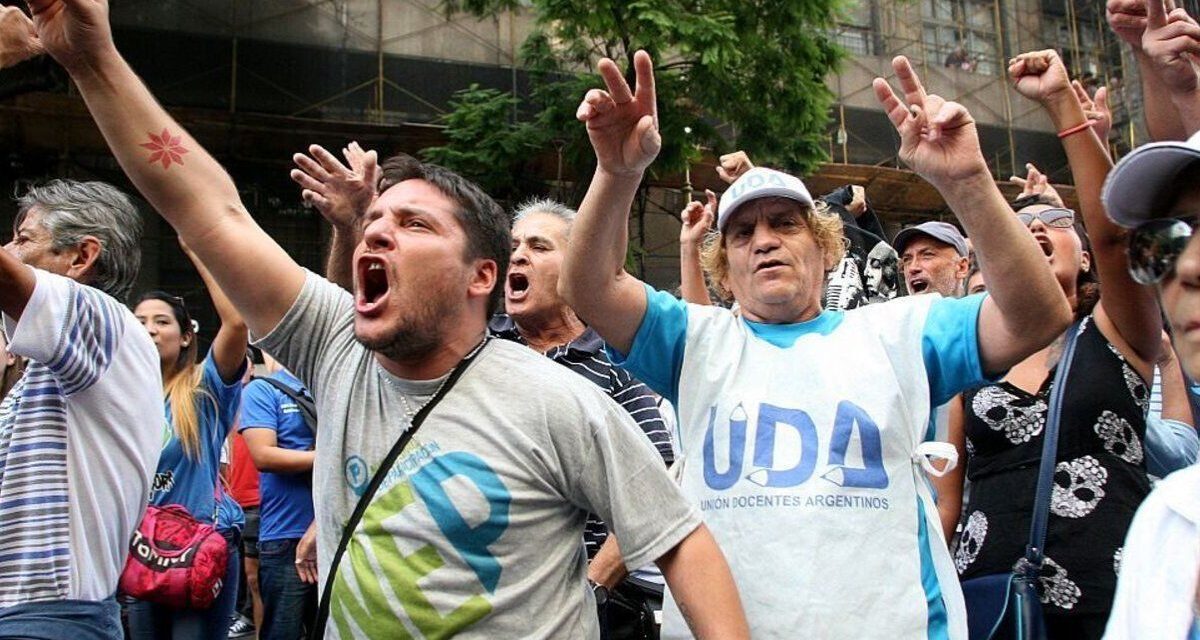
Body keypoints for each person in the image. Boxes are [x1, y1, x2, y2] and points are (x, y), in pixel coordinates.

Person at [23, 4, 749, 638]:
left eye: (412, 223)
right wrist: (93, 60)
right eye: (374, 221)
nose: (375, 233)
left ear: (481, 276)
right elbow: (207, 208)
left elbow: (680, 539)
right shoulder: (339, 347)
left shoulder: (562, 402)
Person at [561, 50, 1070, 638]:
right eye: (744, 232)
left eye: (785, 223)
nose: (765, 241)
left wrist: (968, 180)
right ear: (723, 267)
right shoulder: (691, 340)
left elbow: (1037, 316)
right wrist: (618, 173)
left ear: (827, 248)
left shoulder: (901, 332)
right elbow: (589, 286)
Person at [948, 49, 1163, 639]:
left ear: (1087, 256)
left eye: (1056, 222)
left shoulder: (1120, 332)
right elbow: (946, 504)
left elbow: (1119, 234)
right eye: (1019, 225)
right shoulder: (971, 355)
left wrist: (1062, 104)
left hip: (1109, 597)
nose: (1036, 226)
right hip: (988, 604)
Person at [0, 178, 161, 640]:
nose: (9, 250)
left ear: (81, 257)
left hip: (50, 618)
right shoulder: (41, 376)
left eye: (24, 238)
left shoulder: (106, 321)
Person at [126, 244, 249, 640]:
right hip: (140, 551)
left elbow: (235, 324)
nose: (148, 328)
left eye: (161, 321)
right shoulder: (120, 398)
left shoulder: (202, 390)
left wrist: (199, 248)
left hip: (198, 551)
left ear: (184, 337)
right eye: (140, 320)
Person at [239, 350, 317, 640]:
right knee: (282, 630)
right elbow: (263, 455)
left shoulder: (329, 387)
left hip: (337, 530)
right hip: (285, 534)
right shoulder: (265, 389)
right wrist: (326, 458)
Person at [225, 356, 263, 639]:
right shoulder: (219, 400)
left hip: (255, 498)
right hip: (230, 500)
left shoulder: (259, 395)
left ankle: (250, 617)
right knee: (236, 570)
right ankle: (240, 613)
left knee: (254, 575)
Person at [894, 221, 970, 297]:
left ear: (961, 267)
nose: (912, 268)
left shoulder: (978, 307)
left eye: (927, 255)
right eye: (907, 259)